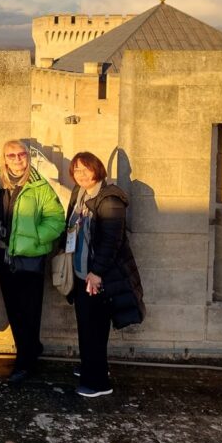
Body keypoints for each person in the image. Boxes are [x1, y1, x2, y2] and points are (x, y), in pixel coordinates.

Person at [0, 139, 65, 385]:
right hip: (3, 256)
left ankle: (25, 362)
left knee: (29, 312)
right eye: (12, 155)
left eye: (22, 154)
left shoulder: (39, 186)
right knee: (14, 311)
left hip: (29, 259)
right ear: (4, 158)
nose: (18, 159)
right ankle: (30, 350)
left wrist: (34, 239)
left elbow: (56, 220)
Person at [65, 151, 145, 398]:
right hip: (81, 272)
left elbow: (111, 241)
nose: (81, 174)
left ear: (97, 170)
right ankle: (90, 366)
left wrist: (96, 273)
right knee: (85, 325)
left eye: (85, 169)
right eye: (76, 170)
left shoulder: (109, 199)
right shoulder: (80, 194)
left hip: (97, 277)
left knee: (95, 328)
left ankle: (98, 382)